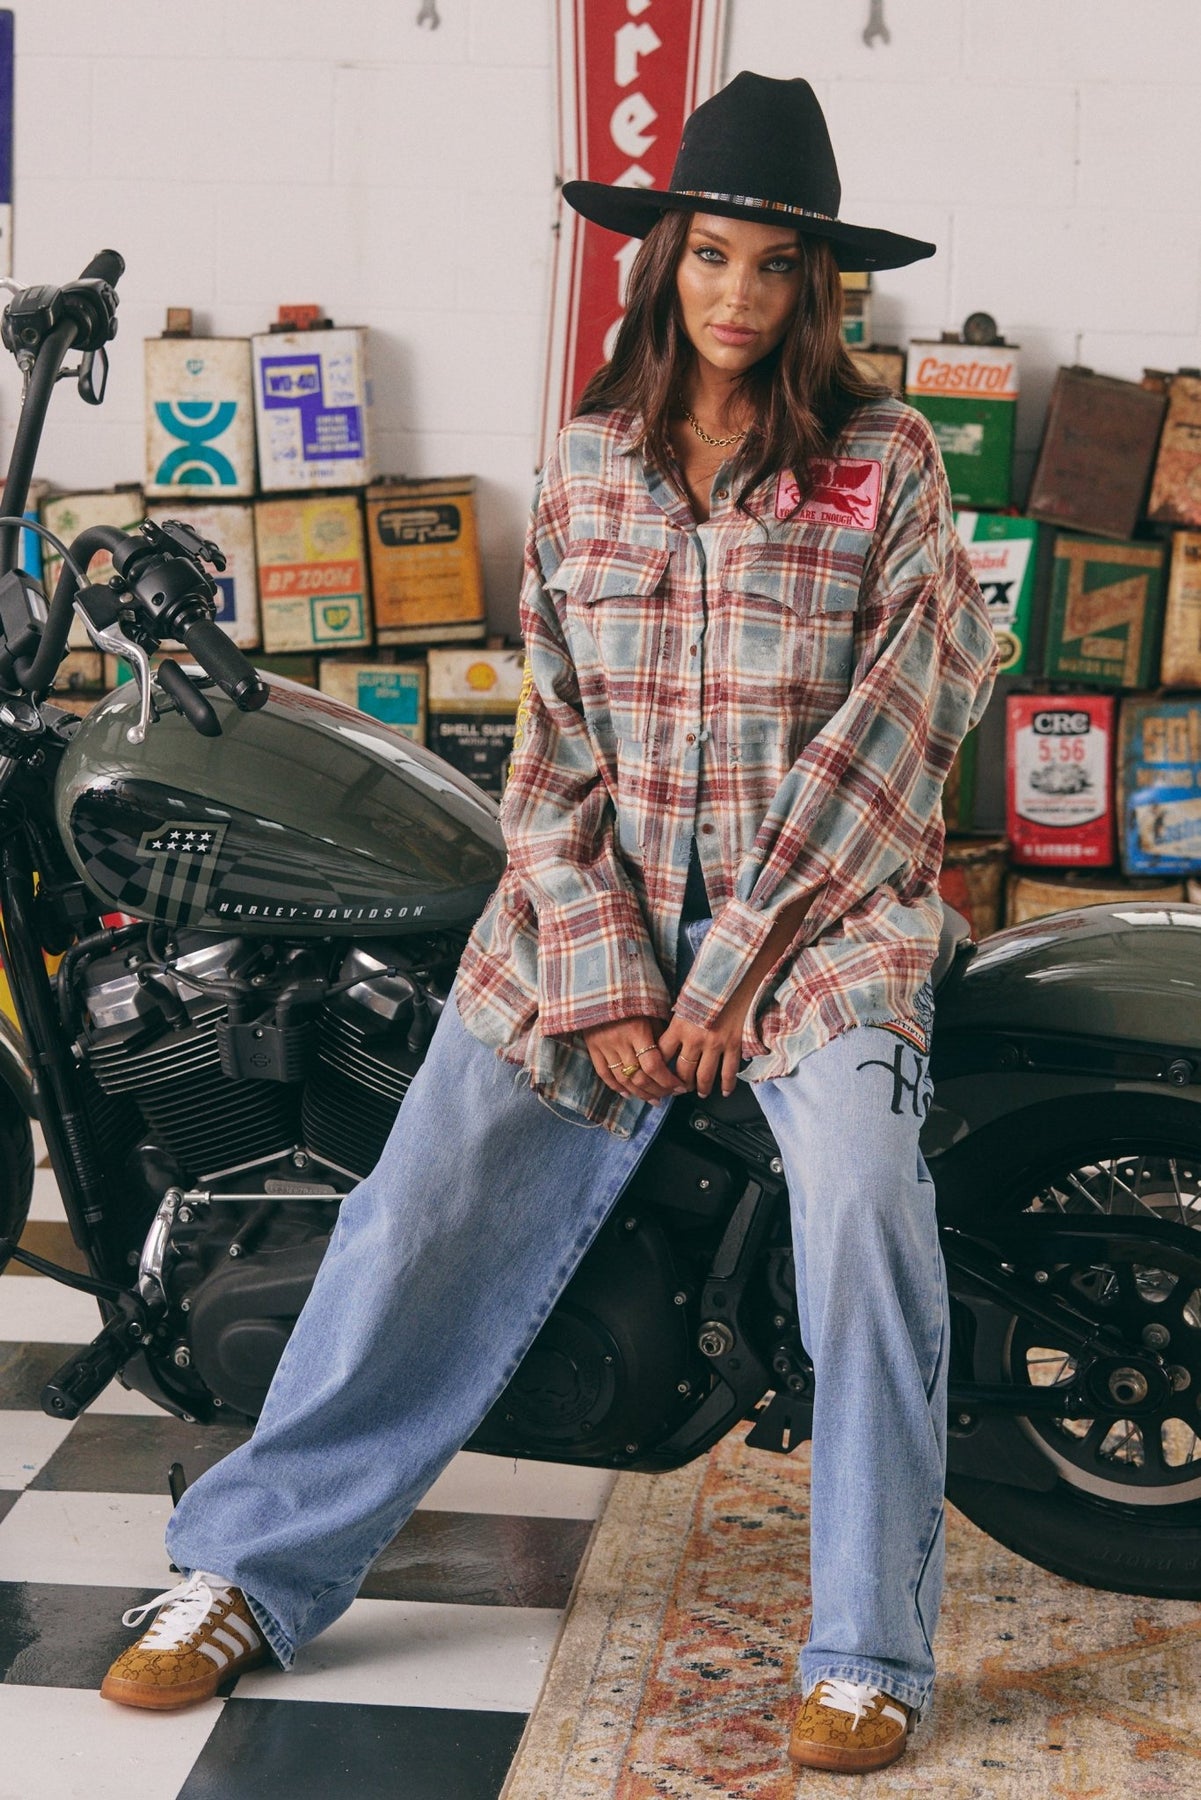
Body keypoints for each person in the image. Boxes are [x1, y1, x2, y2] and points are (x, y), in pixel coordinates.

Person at [100, 73, 996, 1777]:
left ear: (816, 285)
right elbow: (553, 746)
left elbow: (893, 731)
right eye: (709, 254)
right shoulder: (587, 464)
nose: (736, 294)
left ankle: (866, 1650)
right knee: (417, 1208)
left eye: (773, 265)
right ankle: (246, 1569)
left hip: (821, 933)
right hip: (588, 925)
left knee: (866, 1215)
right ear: (661, 262)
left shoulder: (884, 464)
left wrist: (731, 969)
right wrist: (603, 976)